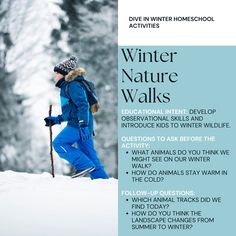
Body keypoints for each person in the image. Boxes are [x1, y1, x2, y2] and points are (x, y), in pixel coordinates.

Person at [44, 56, 109, 179]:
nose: (55, 76)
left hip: (78, 126)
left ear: (64, 74)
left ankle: (83, 165)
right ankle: (103, 182)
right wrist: (56, 120)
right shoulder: (67, 87)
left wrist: (83, 124)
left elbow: (83, 105)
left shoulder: (72, 85)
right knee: (90, 156)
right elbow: (71, 112)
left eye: (57, 73)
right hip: (83, 126)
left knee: (59, 143)